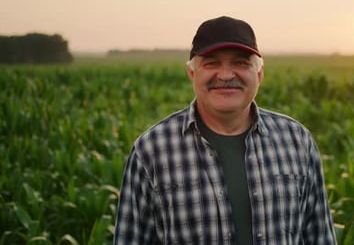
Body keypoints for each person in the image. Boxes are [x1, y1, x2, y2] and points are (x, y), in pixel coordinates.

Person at [113, 16, 337, 245]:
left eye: (241, 63)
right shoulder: (152, 150)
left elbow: (320, 237)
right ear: (192, 73)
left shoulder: (296, 141)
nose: (226, 75)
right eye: (211, 63)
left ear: (259, 74)